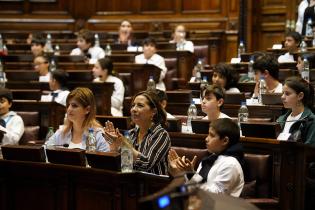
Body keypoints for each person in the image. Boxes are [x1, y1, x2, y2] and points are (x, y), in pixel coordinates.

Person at [168, 118, 244, 197]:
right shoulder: (210, 159)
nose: (206, 139)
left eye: (212, 135)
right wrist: (180, 174)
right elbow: (193, 189)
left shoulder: (230, 164)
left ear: (225, 141)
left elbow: (215, 196)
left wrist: (191, 175)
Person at [104, 90, 171, 175]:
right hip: (131, 181)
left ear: (153, 111)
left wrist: (124, 145)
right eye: (133, 105)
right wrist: (114, 146)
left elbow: (146, 164)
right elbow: (124, 164)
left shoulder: (161, 134)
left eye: (140, 105)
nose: (134, 109)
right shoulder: (131, 133)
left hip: (154, 184)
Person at [46, 87, 110, 151]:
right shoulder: (61, 133)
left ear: (87, 110)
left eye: (74, 106)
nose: (69, 109)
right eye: (68, 105)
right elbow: (45, 152)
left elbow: (105, 159)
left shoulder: (99, 135)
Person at [277, 76, 315, 146]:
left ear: (300, 96)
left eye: (287, 94)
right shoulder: (280, 119)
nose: (282, 97)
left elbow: (309, 151)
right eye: (283, 93)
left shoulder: (311, 121)